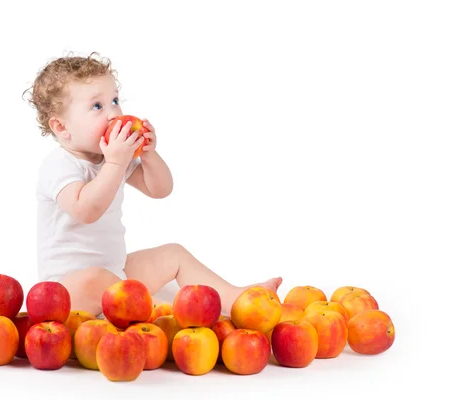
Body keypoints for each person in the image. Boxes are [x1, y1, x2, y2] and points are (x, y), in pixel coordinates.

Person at [25, 52, 282, 317]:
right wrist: (115, 164)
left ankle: (236, 300)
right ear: (61, 126)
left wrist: (148, 155)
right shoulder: (59, 165)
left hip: (116, 272)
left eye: (114, 100)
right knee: (95, 278)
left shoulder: (114, 157)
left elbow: (160, 189)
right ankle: (165, 315)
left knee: (174, 254)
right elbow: (86, 210)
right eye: (97, 106)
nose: (114, 113)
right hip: (67, 291)